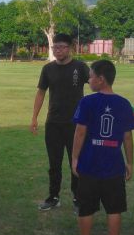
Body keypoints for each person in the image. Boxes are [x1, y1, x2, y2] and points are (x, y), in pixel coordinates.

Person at [71, 60, 134, 235]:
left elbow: (80, 132)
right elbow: (127, 137)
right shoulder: (124, 104)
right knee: (114, 209)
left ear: (100, 79)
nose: (88, 80)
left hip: (89, 164)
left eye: (90, 76)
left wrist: (75, 158)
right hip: (114, 166)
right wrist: (130, 162)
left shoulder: (87, 102)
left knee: (86, 208)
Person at [30, 33, 89, 211]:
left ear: (70, 48)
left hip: (76, 123)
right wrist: (34, 117)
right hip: (53, 122)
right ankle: (53, 197)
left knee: (76, 162)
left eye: (62, 47)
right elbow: (41, 93)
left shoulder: (80, 67)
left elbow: (96, 84)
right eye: (55, 47)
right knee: (54, 163)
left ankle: (78, 198)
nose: (58, 51)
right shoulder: (48, 69)